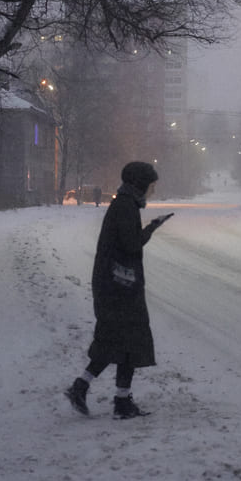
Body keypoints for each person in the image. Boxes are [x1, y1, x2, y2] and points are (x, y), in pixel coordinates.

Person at [65, 161, 173, 419]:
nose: (153, 190)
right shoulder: (125, 207)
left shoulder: (125, 204)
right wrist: (151, 228)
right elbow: (131, 245)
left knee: (117, 341)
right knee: (128, 340)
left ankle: (92, 390)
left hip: (115, 284)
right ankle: (116, 400)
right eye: (151, 185)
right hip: (119, 287)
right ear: (140, 184)